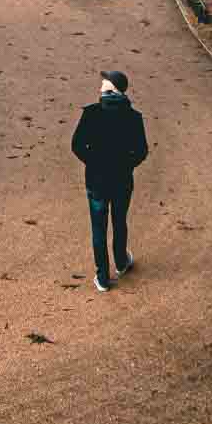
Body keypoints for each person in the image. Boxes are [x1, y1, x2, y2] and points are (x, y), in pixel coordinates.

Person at [70, 67, 148, 293]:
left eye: (103, 85)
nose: (99, 88)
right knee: (120, 221)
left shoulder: (91, 113)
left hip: (96, 181)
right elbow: (141, 151)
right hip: (122, 180)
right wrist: (127, 164)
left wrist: (92, 162)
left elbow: (76, 145)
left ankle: (103, 278)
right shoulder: (134, 117)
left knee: (98, 228)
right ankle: (121, 262)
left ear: (112, 89)